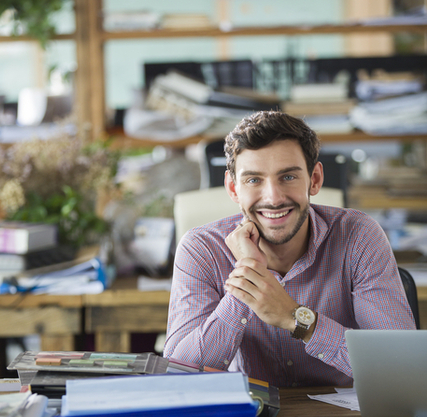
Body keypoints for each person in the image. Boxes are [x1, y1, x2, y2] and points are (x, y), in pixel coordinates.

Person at [163, 111, 416, 387]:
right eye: (253, 180)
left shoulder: (358, 235)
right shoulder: (201, 249)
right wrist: (248, 280)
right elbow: (178, 376)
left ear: (315, 179)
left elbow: (401, 371)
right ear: (233, 188)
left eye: (288, 177)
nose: (273, 198)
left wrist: (296, 319)